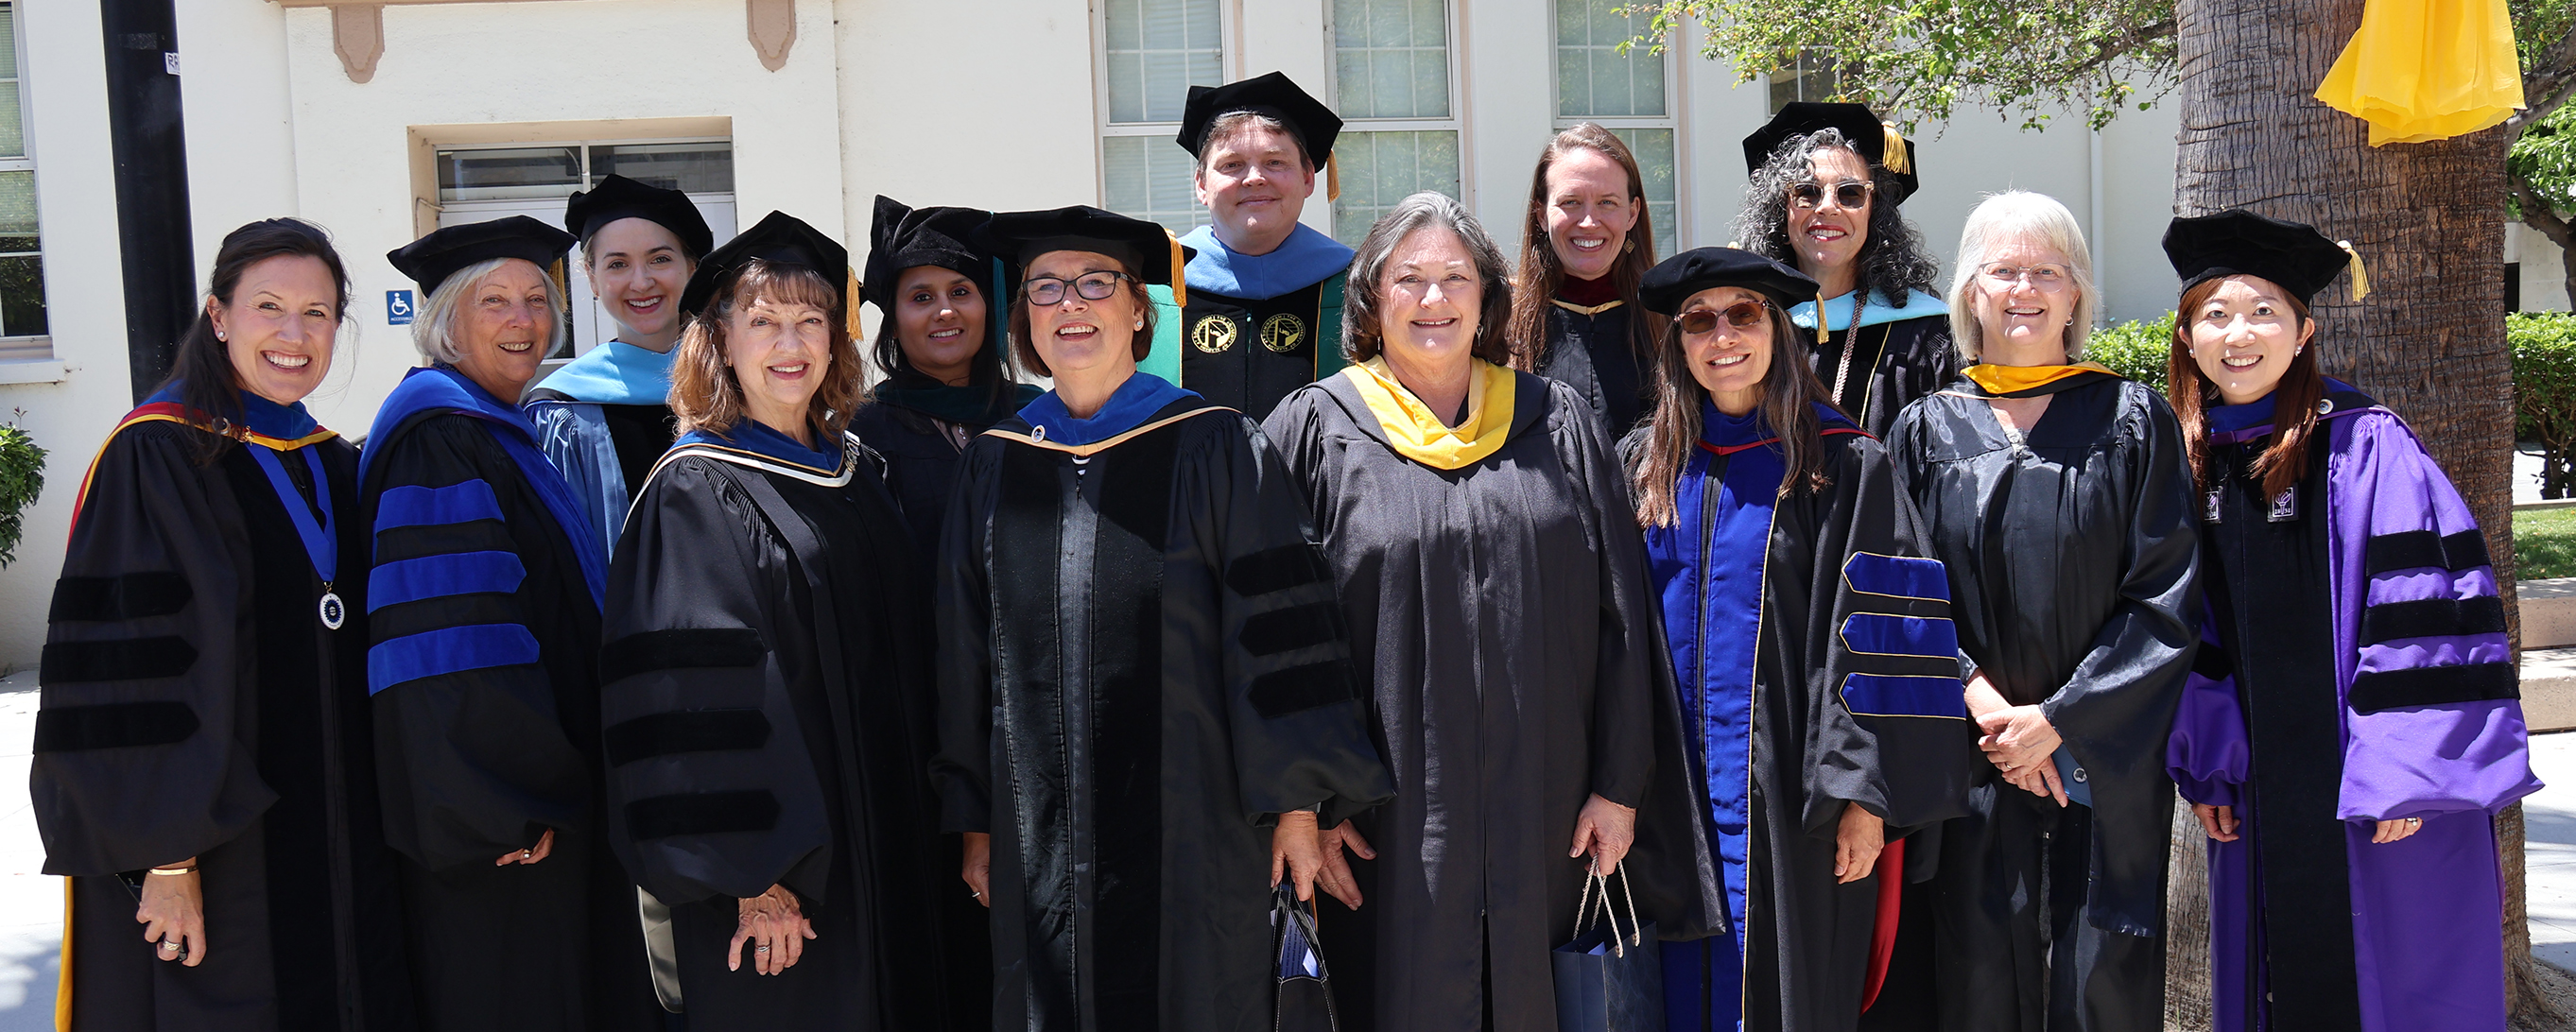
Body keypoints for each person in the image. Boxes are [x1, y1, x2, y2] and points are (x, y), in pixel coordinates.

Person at [933, 204, 1394, 1030]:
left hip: (1196, 822)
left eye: (1094, 283)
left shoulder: (1214, 443)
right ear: (1025, 317)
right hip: (1039, 831)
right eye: (1045, 288)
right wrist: (973, 821)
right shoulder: (999, 462)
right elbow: (965, 651)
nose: (1069, 304)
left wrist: (1296, 806)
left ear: (1138, 309)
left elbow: (1280, 633)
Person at [1262, 192, 1673, 1032]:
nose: (1433, 299)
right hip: (1381, 821)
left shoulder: (1554, 421)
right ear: (1372, 303)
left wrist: (1617, 787)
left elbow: (1621, 614)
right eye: (1407, 279)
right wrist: (1299, 806)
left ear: (1489, 298)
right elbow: (1270, 635)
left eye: (1455, 277)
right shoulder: (1312, 430)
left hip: (1550, 813)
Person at [2161, 210, 2539, 1032]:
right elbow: (2187, 630)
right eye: (2215, 314)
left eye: (2264, 311)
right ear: (2186, 337)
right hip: (2259, 788)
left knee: (2398, 982)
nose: (2239, 334)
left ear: (2303, 333)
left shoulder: (2368, 445)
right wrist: (2210, 765)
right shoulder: (2183, 461)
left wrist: (2406, 769)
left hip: (2376, 793)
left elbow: (2431, 618)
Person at [34, 218, 414, 1031]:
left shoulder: (330, 461)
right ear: (218, 316)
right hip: (213, 844)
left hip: (337, 831)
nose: (293, 333)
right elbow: (131, 674)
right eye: (268, 307)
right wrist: (166, 856)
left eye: (317, 313)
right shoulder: (158, 456)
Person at [600, 211, 963, 1027]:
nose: (789, 343)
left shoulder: (854, 471)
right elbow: (687, 705)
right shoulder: (695, 489)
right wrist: (753, 878)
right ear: (719, 341)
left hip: (889, 840)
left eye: (810, 321)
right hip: (784, 886)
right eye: (762, 322)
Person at [1622, 248, 1975, 1032]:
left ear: (1778, 331)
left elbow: (1889, 643)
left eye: (1743, 314)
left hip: (1795, 801)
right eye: (1699, 320)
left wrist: (1861, 797)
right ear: (1677, 343)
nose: (1723, 336)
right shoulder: (1642, 466)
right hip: (1664, 800)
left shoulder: (1843, 464)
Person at [1884, 191, 2199, 1032]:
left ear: (2074, 296)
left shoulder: (2132, 420)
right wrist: (1989, 711)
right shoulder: (1923, 430)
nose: (2023, 289)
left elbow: (2165, 594)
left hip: (2102, 754)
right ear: (1970, 294)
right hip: (1972, 752)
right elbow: (1897, 593)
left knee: (2101, 968)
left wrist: (2057, 720)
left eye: (2046, 272)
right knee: (1976, 963)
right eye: (2002, 270)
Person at [362, 215, 659, 1032]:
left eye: (536, 299)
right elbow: (449, 641)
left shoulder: (500, 430)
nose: (524, 321)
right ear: (445, 320)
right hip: (502, 825)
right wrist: (500, 801)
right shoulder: (442, 442)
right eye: (495, 301)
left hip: (541, 806)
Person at [523, 174, 716, 555]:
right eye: (617, 264)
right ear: (592, 280)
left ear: (693, 268)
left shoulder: (740, 384)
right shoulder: (562, 408)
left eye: (660, 259)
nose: (641, 282)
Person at [1738, 102, 1951, 440]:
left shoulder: (1924, 335)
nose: (1827, 207)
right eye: (1806, 192)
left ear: (1875, 210)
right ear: (1781, 208)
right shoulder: (1742, 324)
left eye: (1850, 194)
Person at [1158, 71, 1356, 419]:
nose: (1254, 178)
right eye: (1232, 165)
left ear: (1309, 177)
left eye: (1275, 162)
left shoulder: (1358, 287)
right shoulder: (1156, 288)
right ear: (1202, 184)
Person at [847, 195, 1036, 551]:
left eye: (960, 292)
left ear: (988, 309)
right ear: (895, 325)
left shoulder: (1034, 417)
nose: (945, 311)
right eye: (921, 298)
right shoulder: (864, 433)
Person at [1507, 123, 1666, 441]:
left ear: (1632, 213)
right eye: (1571, 202)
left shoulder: (1673, 321)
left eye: (1607, 202)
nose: (1589, 222)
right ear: (1540, 214)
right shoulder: (1500, 325)